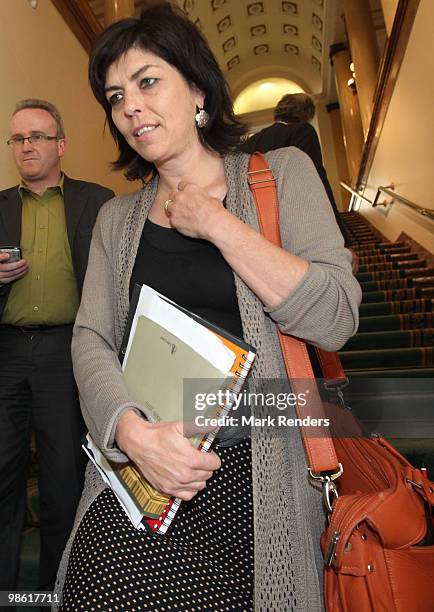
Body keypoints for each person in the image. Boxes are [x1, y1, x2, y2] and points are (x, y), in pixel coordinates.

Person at [55, 5, 361, 611]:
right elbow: (90, 338)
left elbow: (334, 318)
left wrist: (217, 223)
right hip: (140, 470)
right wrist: (128, 431)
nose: (130, 107)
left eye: (147, 82)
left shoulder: (282, 174)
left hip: (258, 463)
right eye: (116, 97)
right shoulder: (117, 220)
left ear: (196, 87)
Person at [0, 99, 114, 594]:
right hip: (5, 352)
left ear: (61, 145)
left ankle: (56, 590)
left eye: (37, 137)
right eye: (18, 139)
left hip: (68, 353)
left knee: (62, 478)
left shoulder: (97, 201)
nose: (26, 147)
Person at [240, 93, 356, 261]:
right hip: (296, 224)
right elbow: (317, 182)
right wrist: (344, 240)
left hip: (255, 227)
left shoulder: (250, 142)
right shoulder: (302, 131)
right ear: (307, 114)